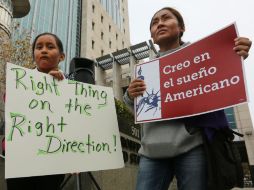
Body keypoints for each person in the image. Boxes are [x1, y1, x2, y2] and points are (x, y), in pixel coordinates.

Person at [123, 7, 252, 190]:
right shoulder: (145, 70)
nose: (159, 23)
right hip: (151, 152)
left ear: (181, 28)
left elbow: (220, 79)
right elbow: (137, 109)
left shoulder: (203, 57)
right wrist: (130, 95)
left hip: (192, 148)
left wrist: (232, 55)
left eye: (166, 18)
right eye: (154, 22)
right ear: (152, 35)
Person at [5, 32, 66, 190]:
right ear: (34, 55)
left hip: (53, 163)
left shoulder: (71, 89)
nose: (44, 50)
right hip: (20, 161)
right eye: (39, 47)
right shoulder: (19, 81)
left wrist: (58, 87)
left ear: (61, 56)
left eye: (50, 47)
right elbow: (11, 104)